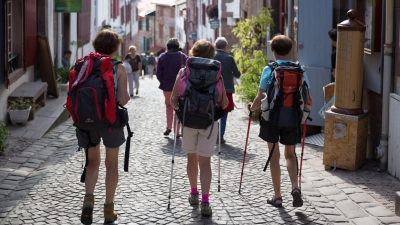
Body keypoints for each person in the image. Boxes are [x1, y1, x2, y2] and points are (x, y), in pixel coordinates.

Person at [248, 35, 311, 208]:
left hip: (272, 118)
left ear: (273, 51)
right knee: (290, 154)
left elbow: (260, 96)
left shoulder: (269, 69)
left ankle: (277, 197)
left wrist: (251, 108)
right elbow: (308, 97)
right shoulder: (300, 70)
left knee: (273, 156)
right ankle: (296, 187)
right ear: (290, 51)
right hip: (292, 117)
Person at [170, 39, 229, 216]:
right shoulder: (217, 73)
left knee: (191, 159)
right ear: (211, 55)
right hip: (209, 123)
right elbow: (224, 103)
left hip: (188, 122)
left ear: (194, 52)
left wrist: (181, 106)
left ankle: (193, 193)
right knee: (205, 162)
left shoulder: (183, 71)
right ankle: (205, 201)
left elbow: (173, 101)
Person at [79, 29, 130, 224]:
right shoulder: (119, 68)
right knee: (111, 164)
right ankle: (108, 209)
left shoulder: (84, 64)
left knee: (92, 163)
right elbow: (123, 100)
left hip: (87, 122)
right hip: (111, 122)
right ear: (116, 48)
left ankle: (88, 201)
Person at [156, 38, 187, 137]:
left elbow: (158, 73)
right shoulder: (183, 57)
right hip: (180, 86)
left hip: (167, 85)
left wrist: (163, 81)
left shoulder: (162, 57)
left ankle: (168, 127)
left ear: (167, 46)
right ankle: (177, 131)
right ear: (178, 47)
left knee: (169, 105)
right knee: (178, 107)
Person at [213, 37, 241, 144]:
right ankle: (220, 137)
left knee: (212, 111)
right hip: (227, 89)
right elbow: (237, 74)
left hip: (213, 88)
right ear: (225, 46)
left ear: (215, 46)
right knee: (224, 113)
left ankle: (212, 135)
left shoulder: (212, 56)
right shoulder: (229, 58)